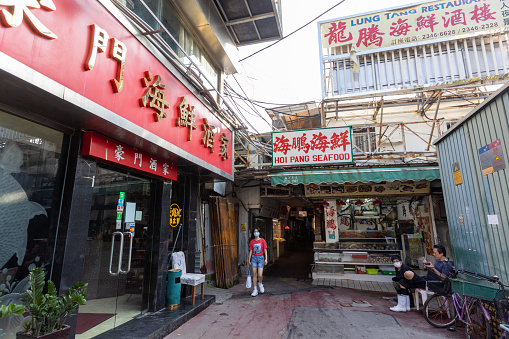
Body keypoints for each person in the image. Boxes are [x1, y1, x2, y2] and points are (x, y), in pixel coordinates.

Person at [390, 244, 453, 312]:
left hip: (430, 284)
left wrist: (433, 268)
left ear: (441, 253)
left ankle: (403, 305)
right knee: (403, 283)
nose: (433, 254)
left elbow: (444, 278)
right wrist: (429, 266)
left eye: (435, 253)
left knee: (408, 274)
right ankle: (404, 306)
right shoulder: (438, 261)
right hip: (426, 279)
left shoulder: (446, 264)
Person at [248, 228, 268, 297]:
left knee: (260, 274)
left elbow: (265, 250)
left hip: (260, 258)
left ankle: (260, 283)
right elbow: (250, 251)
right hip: (253, 258)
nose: (256, 233)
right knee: (254, 274)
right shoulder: (252, 242)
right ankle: (255, 289)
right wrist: (249, 260)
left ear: (259, 233)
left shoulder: (262, 241)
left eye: (257, 231)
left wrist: (266, 259)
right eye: (254, 232)